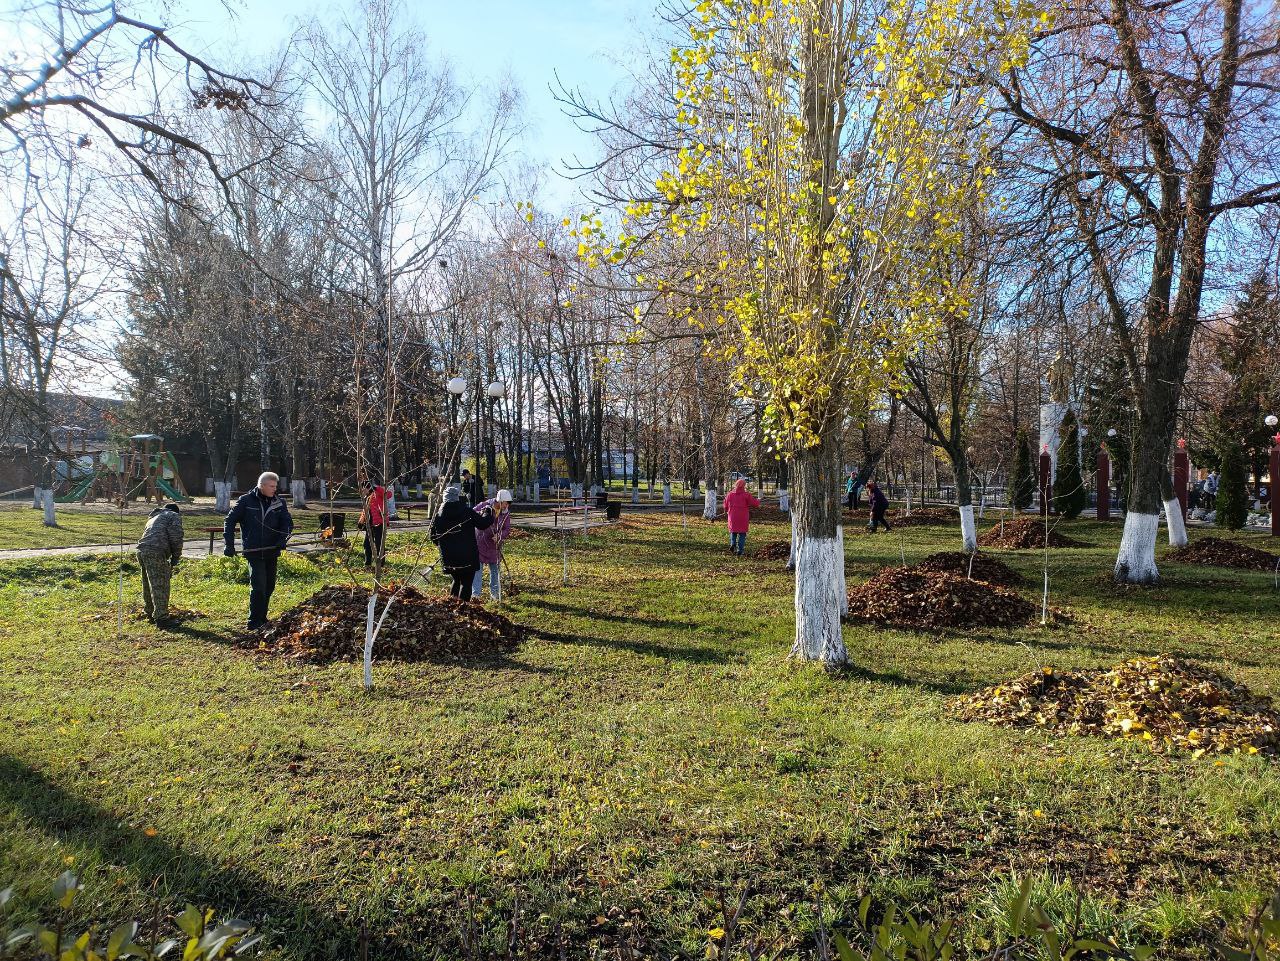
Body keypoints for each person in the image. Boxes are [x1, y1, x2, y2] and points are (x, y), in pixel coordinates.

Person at [224, 471, 294, 630]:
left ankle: (262, 617)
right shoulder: (246, 501)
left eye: (275, 486)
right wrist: (229, 544)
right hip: (254, 551)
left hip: (272, 551)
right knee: (259, 587)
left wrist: (282, 539)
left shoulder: (278, 502)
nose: (274, 489)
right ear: (261, 485)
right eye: (271, 486)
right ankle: (254, 622)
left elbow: (288, 524)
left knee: (269, 586)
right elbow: (229, 521)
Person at [430, 486, 495, 600]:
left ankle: (452, 606)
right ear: (457, 498)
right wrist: (487, 512)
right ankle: (463, 609)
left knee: (456, 580)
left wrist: (446, 545)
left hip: (449, 558)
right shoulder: (467, 511)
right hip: (468, 556)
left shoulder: (438, 516)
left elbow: (434, 538)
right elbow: (483, 524)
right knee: (466, 583)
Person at [137, 502, 183, 626]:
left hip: (141, 550)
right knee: (160, 585)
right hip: (155, 551)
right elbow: (176, 537)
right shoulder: (173, 516)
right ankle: (162, 618)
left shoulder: (154, 517)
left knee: (148, 583)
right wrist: (176, 557)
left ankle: (150, 611)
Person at [472, 489, 513, 601]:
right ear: (500, 500)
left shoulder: (506, 513)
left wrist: (499, 536)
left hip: (494, 546)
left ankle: (494, 594)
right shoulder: (485, 506)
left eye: (508, 503)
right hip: (480, 542)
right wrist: (480, 515)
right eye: (505, 503)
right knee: (477, 570)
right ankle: (476, 595)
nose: (506, 506)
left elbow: (507, 529)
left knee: (495, 570)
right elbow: (472, 513)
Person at [359, 478, 391, 569]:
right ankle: (367, 563)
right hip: (369, 524)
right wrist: (361, 522)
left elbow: (389, 494)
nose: (361, 491)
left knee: (379, 544)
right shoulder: (366, 498)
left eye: (362, 489)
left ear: (367, 488)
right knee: (367, 544)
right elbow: (365, 511)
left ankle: (380, 565)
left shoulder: (377, 493)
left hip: (380, 523)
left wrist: (376, 488)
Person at [723, 477, 761, 555]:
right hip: (743, 517)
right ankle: (740, 550)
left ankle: (733, 544)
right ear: (744, 486)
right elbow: (755, 504)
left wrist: (727, 511)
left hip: (732, 516)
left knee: (733, 532)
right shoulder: (746, 495)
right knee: (742, 534)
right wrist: (758, 500)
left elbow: (725, 505)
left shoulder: (730, 494)